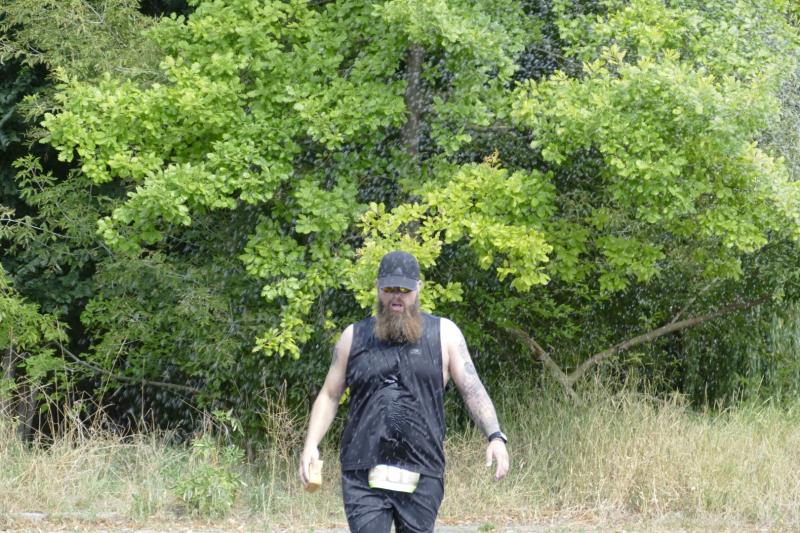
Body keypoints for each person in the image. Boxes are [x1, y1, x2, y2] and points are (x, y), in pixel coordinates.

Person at [299, 250, 509, 533]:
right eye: (389, 289)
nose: (396, 297)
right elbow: (329, 395)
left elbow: (472, 389)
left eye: (405, 290)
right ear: (378, 288)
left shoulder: (445, 334)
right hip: (363, 469)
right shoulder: (353, 337)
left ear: (418, 288)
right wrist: (311, 444)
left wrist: (495, 436)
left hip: (423, 469)